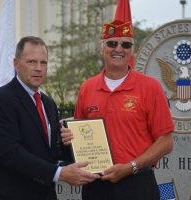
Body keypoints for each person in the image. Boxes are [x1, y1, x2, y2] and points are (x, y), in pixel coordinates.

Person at [61, 20, 175, 200]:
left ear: (132, 50)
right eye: (112, 43)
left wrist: (131, 166)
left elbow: (166, 142)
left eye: (125, 44)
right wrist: (69, 137)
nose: (118, 49)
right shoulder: (87, 88)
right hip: (95, 185)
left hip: (137, 183)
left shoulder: (150, 87)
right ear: (102, 48)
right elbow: (79, 135)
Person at [0, 36, 100, 200]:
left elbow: (51, 152)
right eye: (31, 62)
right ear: (16, 64)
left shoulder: (48, 103)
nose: (38, 68)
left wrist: (69, 143)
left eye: (43, 63)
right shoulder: (0, 100)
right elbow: (10, 153)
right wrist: (59, 173)